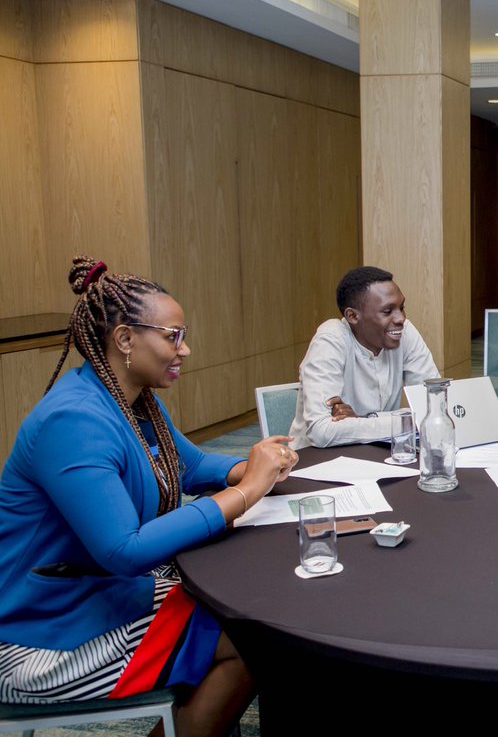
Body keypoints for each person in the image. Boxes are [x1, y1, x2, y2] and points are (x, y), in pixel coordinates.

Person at [0, 257, 297, 736]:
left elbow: (191, 466)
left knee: (252, 615)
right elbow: (125, 550)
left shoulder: (132, 400)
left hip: (96, 594)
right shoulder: (72, 420)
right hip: (40, 632)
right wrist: (246, 492)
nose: (185, 349)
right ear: (124, 339)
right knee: (255, 642)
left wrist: (255, 468)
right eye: (173, 336)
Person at [289, 266, 439, 449]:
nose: (400, 319)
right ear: (352, 316)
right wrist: (413, 421)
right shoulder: (330, 339)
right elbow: (321, 432)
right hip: (318, 460)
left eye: (401, 308)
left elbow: (436, 406)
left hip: (377, 452)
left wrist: (365, 419)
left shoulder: (404, 332)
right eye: (387, 311)